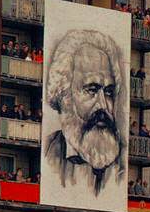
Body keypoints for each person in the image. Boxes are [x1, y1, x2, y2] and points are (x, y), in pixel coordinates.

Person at [43, 29, 127, 198]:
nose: (103, 105)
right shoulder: (47, 151)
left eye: (109, 92)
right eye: (91, 89)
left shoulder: (123, 162)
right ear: (64, 95)